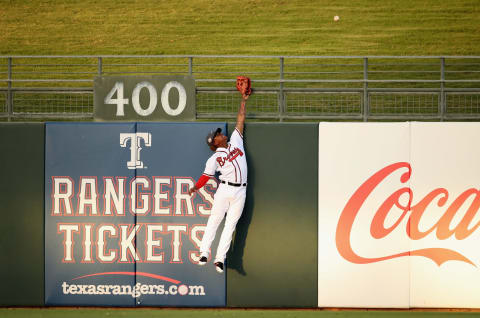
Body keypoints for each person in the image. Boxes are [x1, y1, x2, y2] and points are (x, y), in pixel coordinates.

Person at [189, 92, 249, 273]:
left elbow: (240, 119)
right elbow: (206, 176)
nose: (221, 134)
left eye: (219, 133)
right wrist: (196, 187)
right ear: (214, 142)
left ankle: (219, 259)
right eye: (217, 135)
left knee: (230, 225)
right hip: (224, 190)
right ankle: (203, 253)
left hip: (241, 192)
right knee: (214, 221)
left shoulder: (236, 141)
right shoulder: (214, 157)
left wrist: (243, 100)